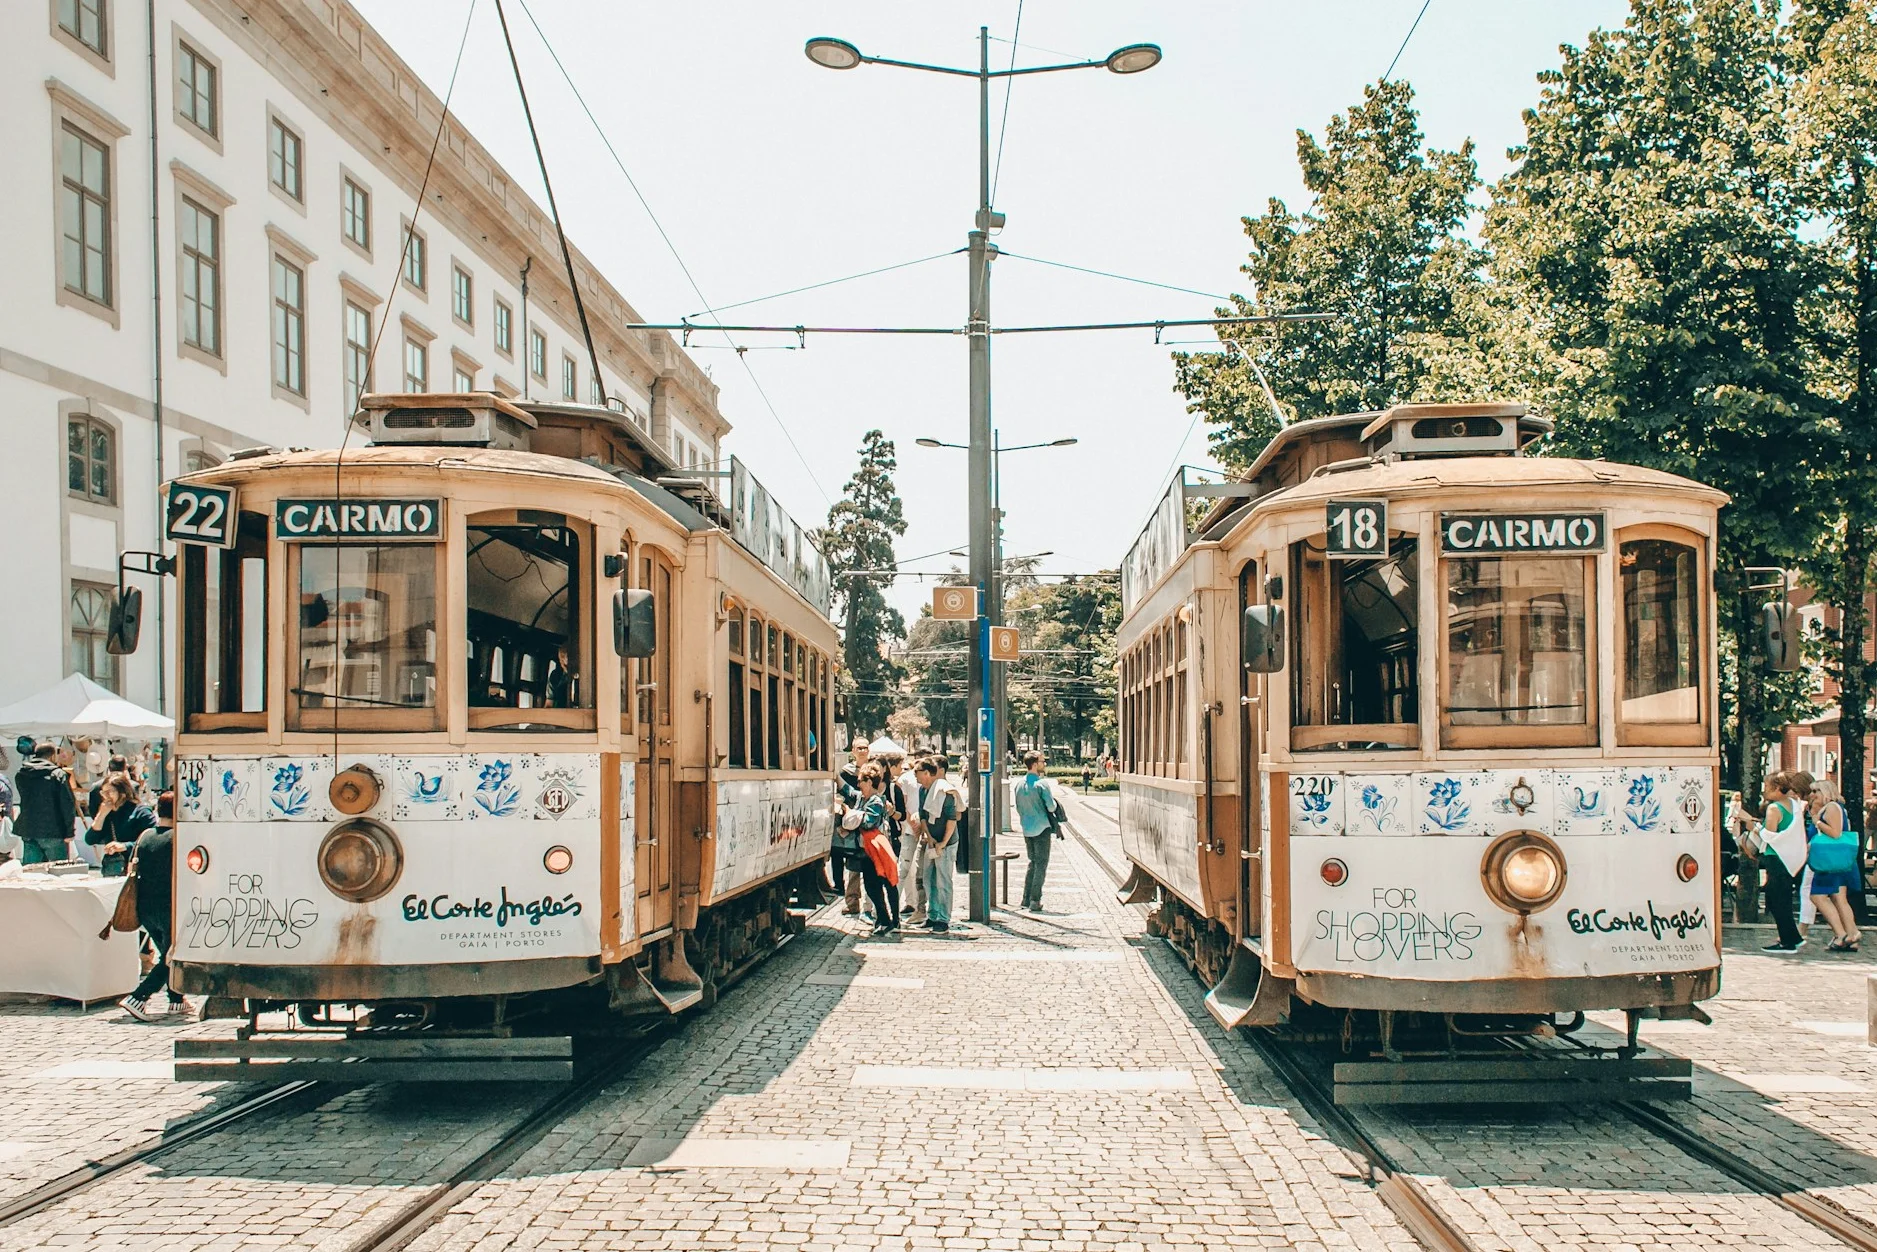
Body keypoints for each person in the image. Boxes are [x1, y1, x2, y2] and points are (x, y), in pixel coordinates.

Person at [120, 792, 188, 1022]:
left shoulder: (145, 836)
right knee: (173, 956)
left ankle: (177, 1000)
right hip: (170, 905)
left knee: (166, 953)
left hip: (145, 906)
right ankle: (138, 997)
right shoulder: (179, 839)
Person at [1751, 769, 1812, 952]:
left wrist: (1753, 826)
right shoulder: (1794, 805)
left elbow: (1769, 834)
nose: (1765, 790)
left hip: (1775, 856)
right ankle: (1792, 936)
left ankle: (1788, 940)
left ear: (1778, 788)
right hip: (1789, 859)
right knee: (1783, 897)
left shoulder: (1774, 808)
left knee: (1776, 899)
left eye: (1768, 787)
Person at [842, 764, 899, 935]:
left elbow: (868, 822)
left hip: (878, 849)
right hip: (867, 850)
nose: (858, 784)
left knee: (887, 883)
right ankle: (884, 919)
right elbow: (848, 790)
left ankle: (892, 921)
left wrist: (850, 815)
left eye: (860, 781)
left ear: (869, 781)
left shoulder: (876, 800)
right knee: (871, 886)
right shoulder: (862, 798)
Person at [1809, 778, 1862, 952]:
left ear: (1826, 792)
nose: (1812, 794)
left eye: (1816, 791)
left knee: (1818, 896)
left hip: (1830, 860)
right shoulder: (1837, 808)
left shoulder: (1832, 807)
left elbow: (1836, 833)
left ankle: (1841, 934)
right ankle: (1851, 934)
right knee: (1839, 898)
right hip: (1838, 860)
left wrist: (1817, 821)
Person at [1015, 751, 1065, 912]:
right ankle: (1035, 900)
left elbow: (1018, 807)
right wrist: (1056, 806)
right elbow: (1051, 806)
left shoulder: (1019, 784)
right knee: (1041, 865)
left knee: (1032, 863)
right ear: (1035, 764)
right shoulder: (1041, 784)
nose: (1044, 764)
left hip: (1026, 829)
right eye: (1043, 761)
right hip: (1042, 828)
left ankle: (1025, 898)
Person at [13, 741, 76, 865]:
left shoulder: (21, 773)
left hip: (28, 828)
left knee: (31, 872)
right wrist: (69, 831)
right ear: (52, 756)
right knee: (59, 871)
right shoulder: (57, 774)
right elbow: (67, 804)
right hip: (53, 830)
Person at [917, 756, 961, 932]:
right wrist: (929, 837)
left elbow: (952, 819)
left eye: (919, 774)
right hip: (931, 840)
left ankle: (943, 918)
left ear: (928, 773)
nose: (917, 778)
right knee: (929, 879)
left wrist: (942, 843)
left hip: (947, 842)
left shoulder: (945, 792)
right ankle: (932, 914)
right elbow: (922, 816)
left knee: (943, 880)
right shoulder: (923, 790)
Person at [87, 775, 154, 877]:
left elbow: (152, 841)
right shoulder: (108, 814)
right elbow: (90, 840)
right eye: (103, 793)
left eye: (109, 792)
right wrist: (101, 815)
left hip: (136, 867)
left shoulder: (141, 812)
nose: (106, 796)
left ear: (122, 793)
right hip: (113, 867)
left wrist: (125, 846)